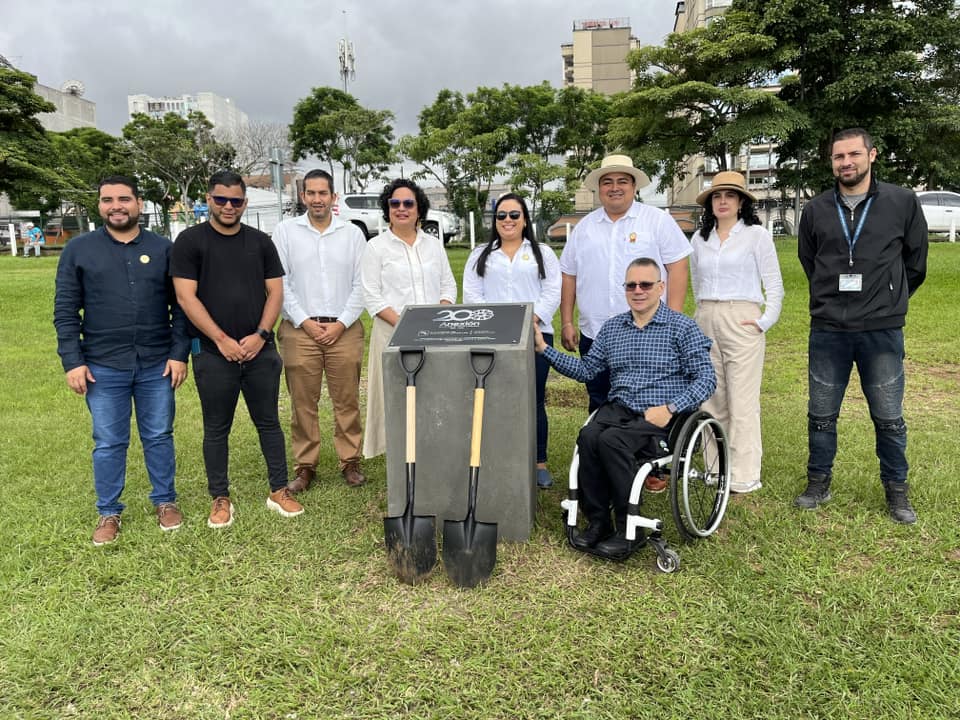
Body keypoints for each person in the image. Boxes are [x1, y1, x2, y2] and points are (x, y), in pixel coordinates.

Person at [535, 257, 716, 556]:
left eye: (645, 284)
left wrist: (671, 408)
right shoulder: (613, 329)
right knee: (589, 437)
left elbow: (706, 378)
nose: (638, 290)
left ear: (660, 287)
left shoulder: (682, 328)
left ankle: (630, 528)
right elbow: (587, 370)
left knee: (610, 441)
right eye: (631, 285)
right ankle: (598, 521)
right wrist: (544, 350)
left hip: (661, 415)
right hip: (620, 409)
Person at [797, 127, 928, 524]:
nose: (846, 163)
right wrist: (830, 297)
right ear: (832, 162)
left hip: (881, 329)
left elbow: (915, 263)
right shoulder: (817, 209)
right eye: (838, 157)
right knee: (821, 413)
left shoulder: (901, 202)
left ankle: (897, 490)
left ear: (872, 155)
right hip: (829, 329)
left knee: (889, 415)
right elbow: (809, 261)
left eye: (853, 154)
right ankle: (818, 481)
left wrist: (887, 297)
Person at [53, 175, 189, 545]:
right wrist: (72, 361)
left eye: (124, 199)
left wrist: (180, 355)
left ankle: (165, 501)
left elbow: (181, 307)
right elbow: (66, 310)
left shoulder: (164, 249)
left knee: (159, 435)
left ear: (139, 204)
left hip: (156, 363)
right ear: (98, 205)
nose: (116, 206)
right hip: (102, 366)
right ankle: (108, 512)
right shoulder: (79, 250)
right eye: (108, 199)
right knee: (109, 441)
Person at [170, 170, 303, 528]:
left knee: (269, 423)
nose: (229, 207)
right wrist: (221, 340)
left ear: (244, 203)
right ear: (209, 199)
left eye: (236, 201)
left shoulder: (261, 242)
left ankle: (279, 489)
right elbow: (185, 296)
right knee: (216, 428)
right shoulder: (189, 241)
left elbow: (275, 292)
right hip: (214, 354)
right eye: (221, 200)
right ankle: (220, 497)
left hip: (260, 351)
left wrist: (261, 334)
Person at [559, 154, 692, 412]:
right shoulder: (584, 228)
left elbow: (678, 267)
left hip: (648, 333)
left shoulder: (657, 220)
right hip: (596, 333)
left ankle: (642, 451)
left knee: (645, 399)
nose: (615, 187)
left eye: (622, 181)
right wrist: (566, 321)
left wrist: (673, 320)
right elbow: (569, 274)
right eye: (607, 182)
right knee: (599, 398)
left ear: (634, 187)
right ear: (599, 189)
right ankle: (599, 448)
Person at [273, 169, 367, 491]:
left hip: (345, 328)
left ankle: (350, 461)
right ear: (303, 197)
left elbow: (362, 284)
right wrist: (306, 323)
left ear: (333, 197)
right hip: (300, 329)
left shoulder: (353, 234)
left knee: (347, 399)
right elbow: (280, 283)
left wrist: (340, 324)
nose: (316, 199)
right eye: (310, 193)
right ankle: (305, 466)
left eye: (322, 193)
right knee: (303, 402)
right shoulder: (285, 232)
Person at [691, 171, 784, 494]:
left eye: (730, 196)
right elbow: (695, 282)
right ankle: (715, 470)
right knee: (711, 398)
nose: (723, 201)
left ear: (742, 201)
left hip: (742, 316)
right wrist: (700, 316)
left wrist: (763, 321)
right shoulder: (700, 238)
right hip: (706, 316)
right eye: (717, 196)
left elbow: (774, 284)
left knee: (742, 400)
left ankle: (744, 474)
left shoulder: (757, 236)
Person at [463, 193, 561, 488]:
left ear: (525, 219)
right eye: (501, 215)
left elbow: (552, 291)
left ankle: (538, 461)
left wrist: (531, 319)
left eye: (514, 215)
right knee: (491, 399)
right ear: (494, 221)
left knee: (533, 400)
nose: (508, 220)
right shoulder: (481, 253)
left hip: (536, 337)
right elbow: (472, 294)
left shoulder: (542, 252)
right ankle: (497, 457)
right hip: (491, 339)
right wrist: (497, 325)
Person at [360, 178, 457, 459]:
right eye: (395, 203)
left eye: (408, 203)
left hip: (433, 334)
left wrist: (438, 314)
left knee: (431, 393)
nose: (401, 208)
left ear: (419, 209)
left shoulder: (434, 246)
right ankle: (400, 454)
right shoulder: (375, 248)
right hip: (391, 333)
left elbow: (448, 285)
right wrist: (405, 323)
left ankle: (431, 450)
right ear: (387, 208)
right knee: (396, 396)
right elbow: (372, 296)